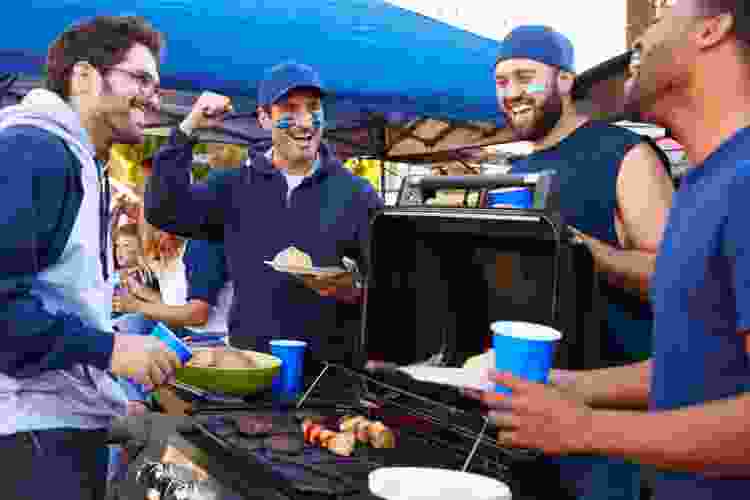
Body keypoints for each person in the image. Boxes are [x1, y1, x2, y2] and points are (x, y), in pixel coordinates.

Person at [477, 2, 750, 499]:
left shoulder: (636, 156)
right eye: (501, 80)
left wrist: (584, 426)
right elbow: (691, 362)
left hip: (614, 464)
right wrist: (559, 387)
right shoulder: (701, 182)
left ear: (714, 27)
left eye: (664, 13)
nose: (639, 40)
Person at [487, 25, 675, 500]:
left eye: (525, 77)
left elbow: (673, 280)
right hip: (527, 412)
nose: (511, 93)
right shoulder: (513, 174)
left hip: (609, 426)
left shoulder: (623, 154)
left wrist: (586, 250)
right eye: (502, 81)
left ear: (566, 81)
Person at [0, 15, 181, 500]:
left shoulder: (82, 160)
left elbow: (60, 296)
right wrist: (113, 351)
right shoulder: (35, 150)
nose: (154, 96)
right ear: (83, 77)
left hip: (60, 424)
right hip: (29, 435)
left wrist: (108, 397)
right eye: (140, 78)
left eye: (156, 84)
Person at [145, 61, 384, 366]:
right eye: (289, 110)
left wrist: (355, 291)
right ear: (263, 119)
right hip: (251, 372)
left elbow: (393, 289)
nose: (306, 122)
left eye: (313, 108)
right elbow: (164, 210)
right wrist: (187, 130)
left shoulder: (357, 195)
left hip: (331, 379)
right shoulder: (232, 187)